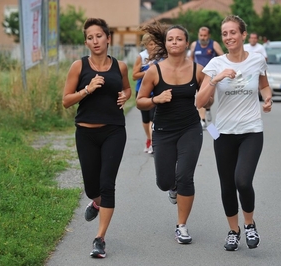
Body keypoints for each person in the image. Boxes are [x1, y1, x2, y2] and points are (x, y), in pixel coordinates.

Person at [196, 15, 272, 252]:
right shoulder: (215, 64)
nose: (228, 37)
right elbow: (199, 101)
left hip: (251, 130)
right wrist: (216, 79)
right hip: (223, 133)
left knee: (243, 180)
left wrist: (268, 98)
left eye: (233, 32)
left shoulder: (257, 59)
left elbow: (264, 85)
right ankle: (233, 231)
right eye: (225, 33)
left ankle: (249, 224)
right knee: (227, 185)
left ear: (242, 35)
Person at [62, 18, 131, 258]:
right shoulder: (78, 67)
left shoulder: (120, 66)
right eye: (90, 38)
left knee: (107, 183)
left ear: (108, 38)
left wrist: (125, 96)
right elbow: (66, 101)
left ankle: (99, 238)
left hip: (113, 130)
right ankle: (96, 202)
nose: (95, 41)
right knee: (93, 187)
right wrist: (87, 90)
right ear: (86, 42)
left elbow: (127, 88)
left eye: (99, 36)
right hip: (86, 132)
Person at [136, 22, 206, 244]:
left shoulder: (198, 70)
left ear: (187, 43)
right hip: (164, 131)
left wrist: (208, 97)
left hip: (190, 129)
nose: (174, 42)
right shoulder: (154, 71)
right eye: (170, 39)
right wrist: (156, 99)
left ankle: (182, 226)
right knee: (164, 182)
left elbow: (208, 99)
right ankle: (172, 187)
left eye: (179, 39)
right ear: (165, 44)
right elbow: (140, 102)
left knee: (185, 176)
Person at [189, 27, 224, 129]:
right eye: (201, 35)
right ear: (198, 35)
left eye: (205, 35)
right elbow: (190, 57)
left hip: (211, 75)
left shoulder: (214, 44)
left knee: (209, 98)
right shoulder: (194, 45)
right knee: (200, 96)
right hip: (198, 75)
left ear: (208, 36)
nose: (203, 38)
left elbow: (222, 57)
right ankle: (202, 120)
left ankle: (208, 110)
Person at [132, 33, 157, 154]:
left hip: (155, 92)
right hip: (142, 91)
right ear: (145, 45)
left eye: (155, 44)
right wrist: (148, 71)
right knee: (145, 119)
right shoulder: (141, 57)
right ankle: (149, 138)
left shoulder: (160, 57)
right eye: (151, 44)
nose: (153, 46)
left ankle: (153, 142)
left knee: (153, 117)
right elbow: (134, 76)